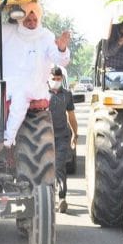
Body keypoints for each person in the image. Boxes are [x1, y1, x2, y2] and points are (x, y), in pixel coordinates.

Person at [0, 2, 70, 147]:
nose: (31, 23)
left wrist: (62, 48)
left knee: (21, 95)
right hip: (6, 85)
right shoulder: (9, 31)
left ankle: (8, 139)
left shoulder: (46, 36)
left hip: (33, 86)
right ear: (20, 19)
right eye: (28, 20)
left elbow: (60, 59)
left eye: (34, 20)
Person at [48, 66, 78, 214]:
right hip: (45, 137)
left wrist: (75, 134)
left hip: (62, 136)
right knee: (47, 168)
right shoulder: (41, 94)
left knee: (59, 166)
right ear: (49, 79)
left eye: (58, 79)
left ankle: (62, 198)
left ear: (62, 79)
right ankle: (46, 198)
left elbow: (71, 116)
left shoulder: (67, 95)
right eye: (53, 79)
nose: (56, 82)